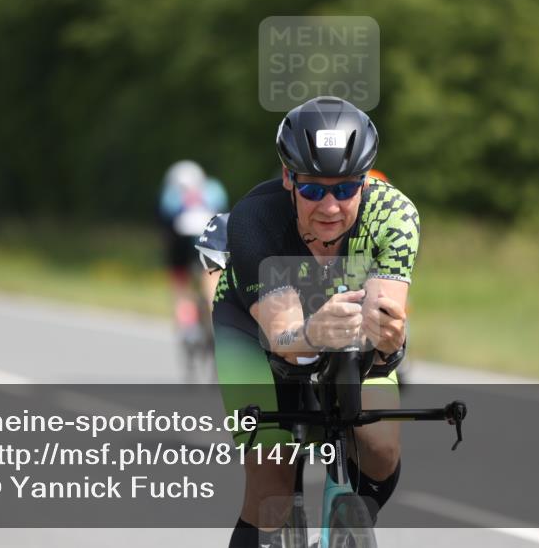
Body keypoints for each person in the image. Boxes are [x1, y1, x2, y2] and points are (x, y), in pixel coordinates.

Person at [212, 97, 419, 547]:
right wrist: (313, 332)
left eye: (345, 189)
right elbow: (286, 339)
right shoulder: (255, 219)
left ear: (365, 182)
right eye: (312, 190)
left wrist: (387, 336)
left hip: (345, 330)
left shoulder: (395, 216)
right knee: (272, 487)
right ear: (289, 177)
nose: (330, 206)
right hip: (254, 332)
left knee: (380, 448)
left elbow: (384, 319)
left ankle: (348, 519)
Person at [159, 160, 228, 377]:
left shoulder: (170, 195)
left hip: (179, 243)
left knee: (180, 287)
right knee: (212, 279)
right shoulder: (214, 190)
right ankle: (217, 316)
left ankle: (187, 327)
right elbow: (225, 216)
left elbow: (162, 223)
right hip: (210, 241)